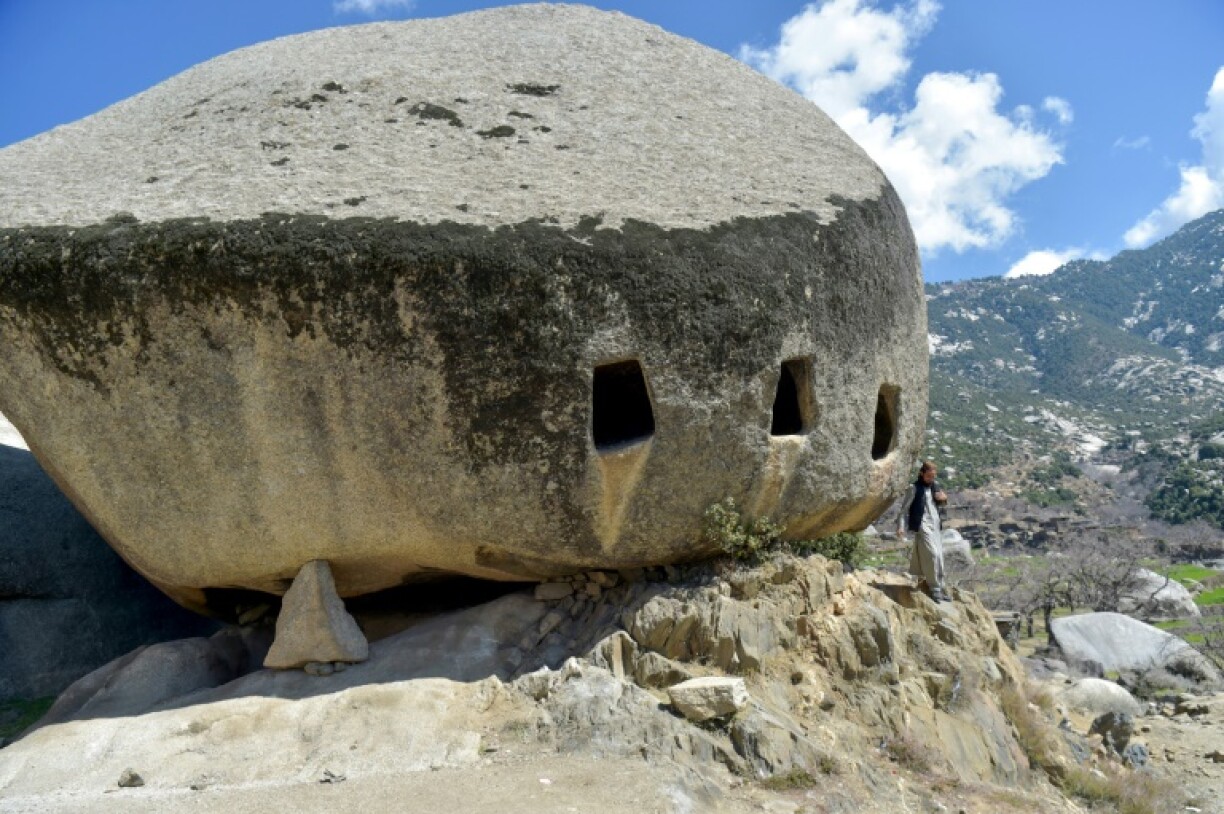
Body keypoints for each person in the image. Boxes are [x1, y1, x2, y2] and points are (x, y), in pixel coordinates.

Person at [895, 461, 949, 602]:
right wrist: (900, 526)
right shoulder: (913, 488)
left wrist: (944, 499)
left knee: (940, 557)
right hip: (923, 525)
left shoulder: (934, 486)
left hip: (936, 524)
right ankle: (934, 588)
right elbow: (903, 510)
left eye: (933, 476)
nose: (931, 479)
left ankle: (941, 587)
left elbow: (940, 501)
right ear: (921, 474)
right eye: (929, 476)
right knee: (933, 554)